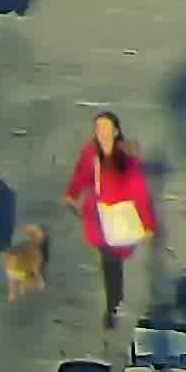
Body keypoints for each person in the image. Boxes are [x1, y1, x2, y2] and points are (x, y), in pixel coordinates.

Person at [64, 111, 158, 327]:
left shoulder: (127, 159)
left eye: (106, 128)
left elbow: (140, 193)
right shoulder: (91, 154)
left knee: (115, 259)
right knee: (109, 263)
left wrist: (148, 224)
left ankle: (113, 301)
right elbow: (82, 175)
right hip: (98, 219)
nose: (102, 133)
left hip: (121, 217)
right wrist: (73, 192)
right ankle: (112, 305)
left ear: (116, 131)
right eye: (98, 128)